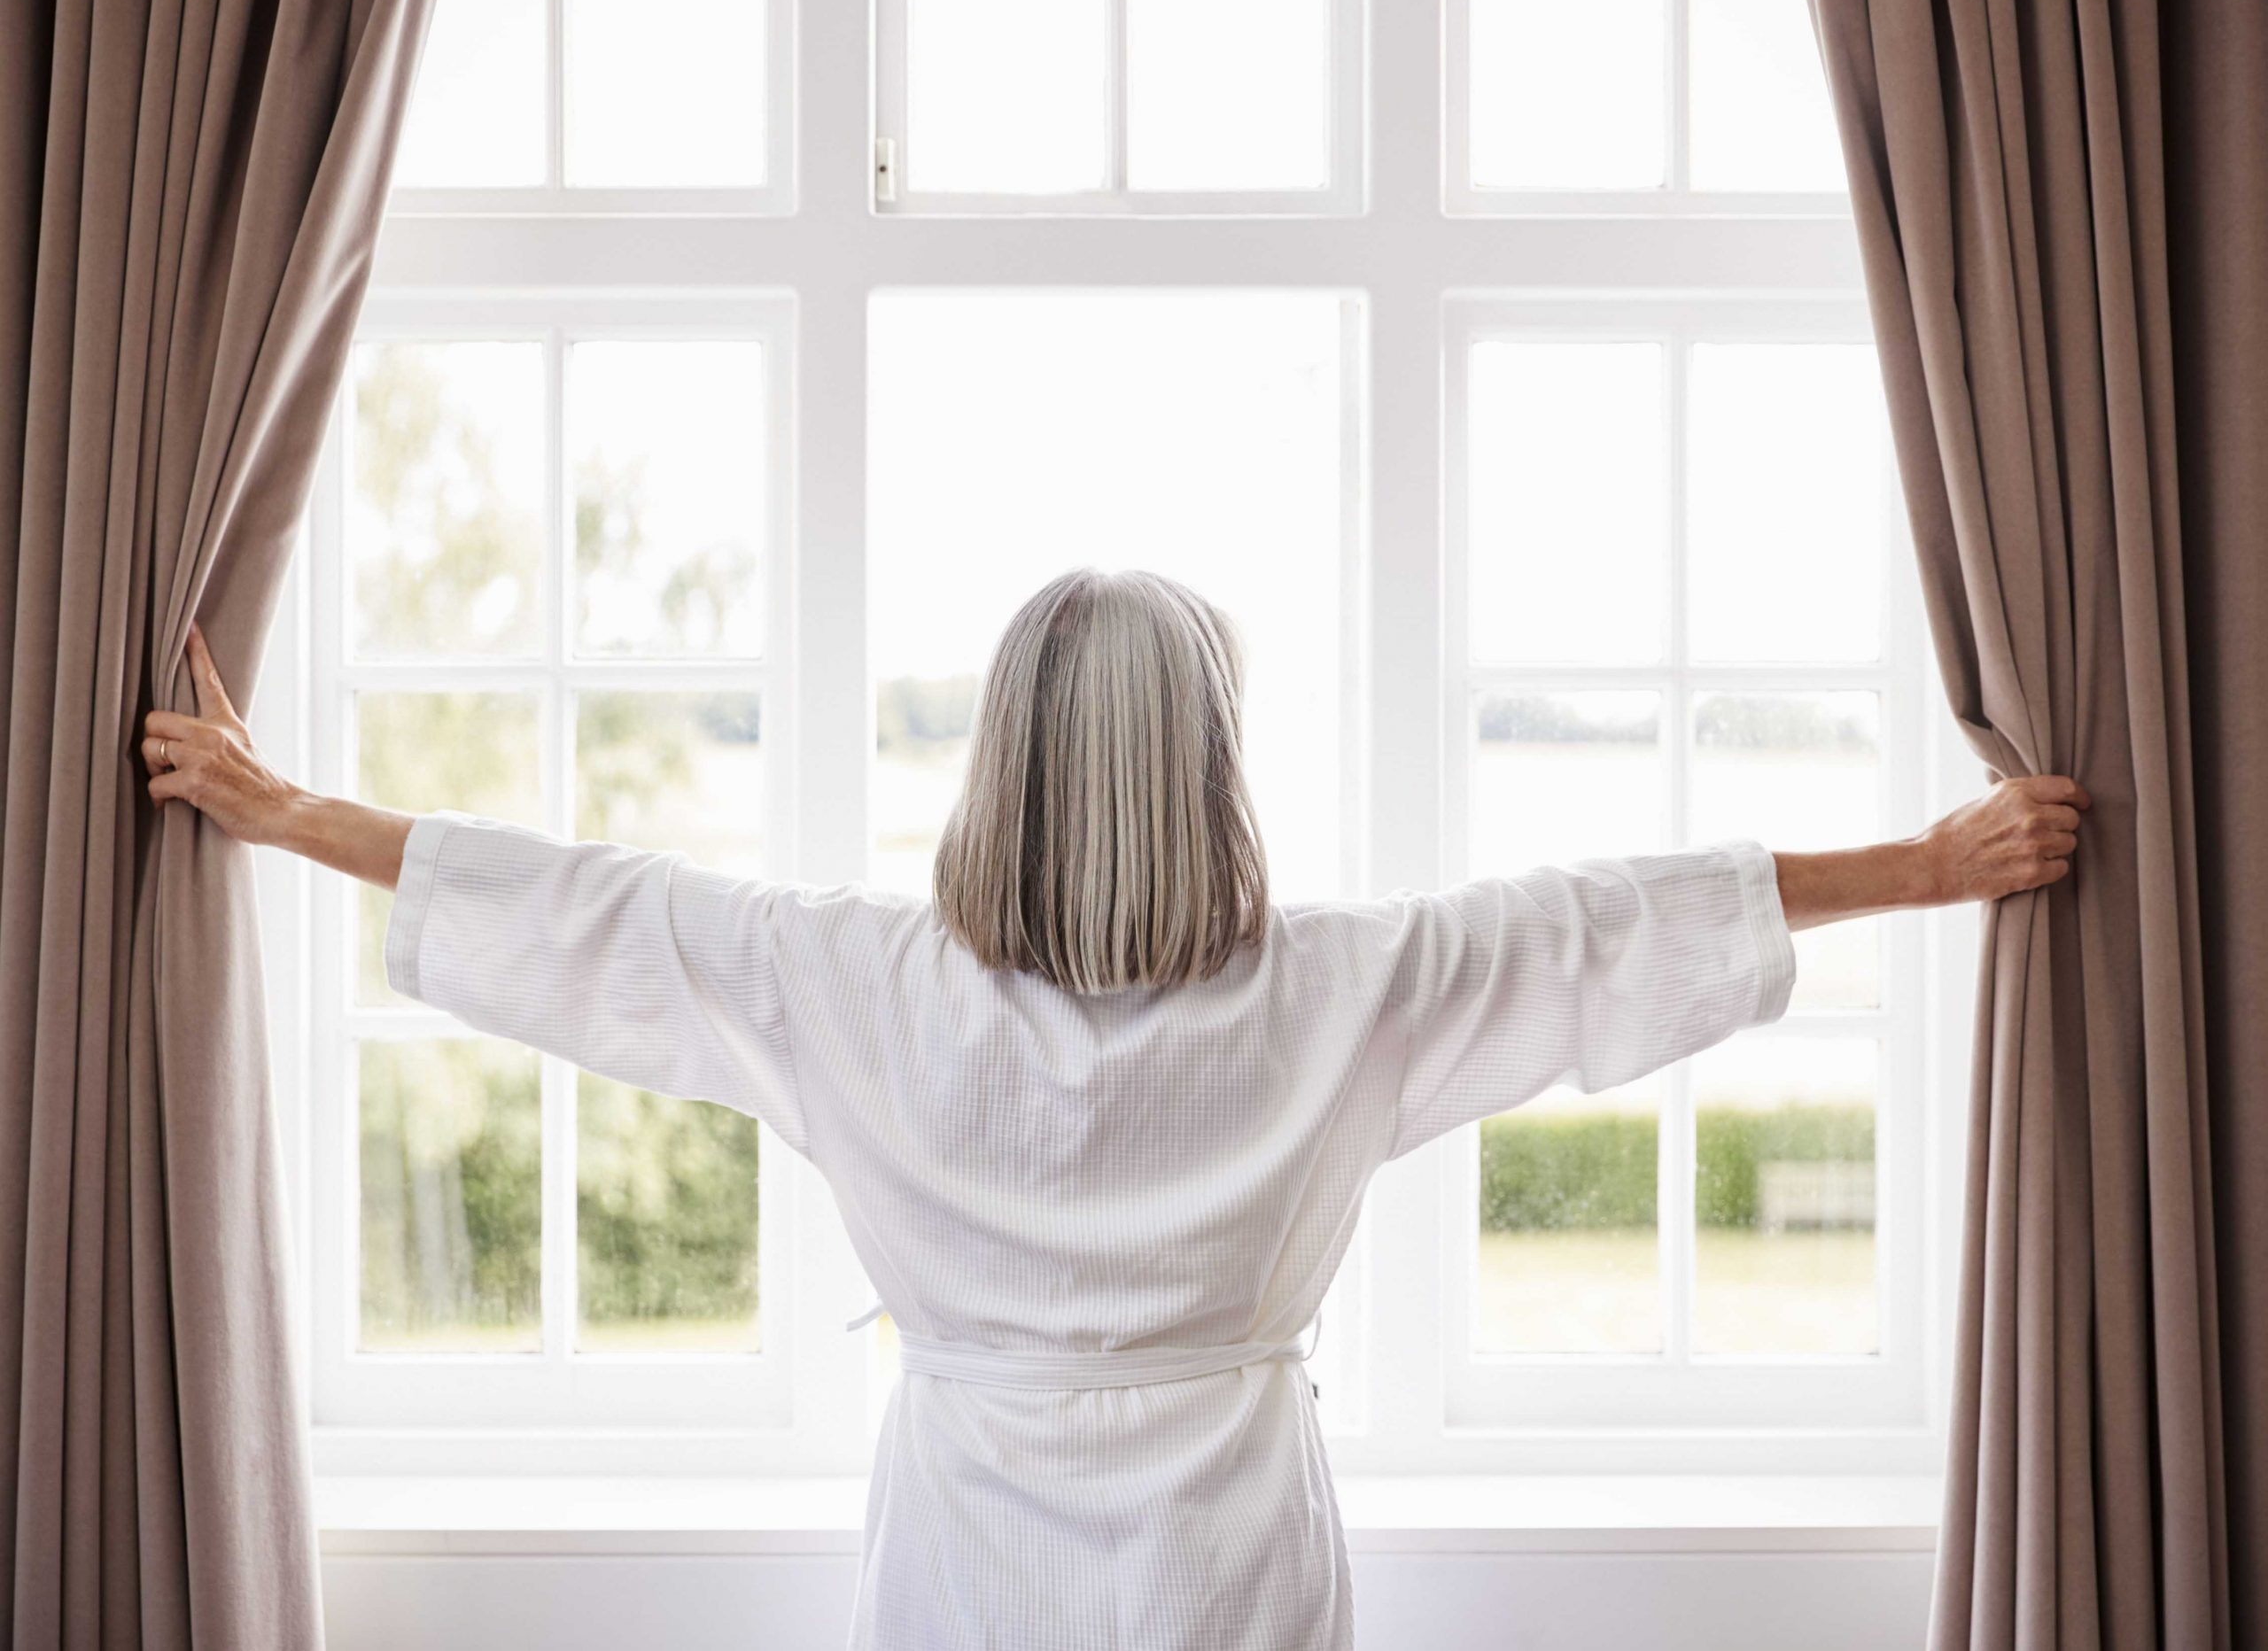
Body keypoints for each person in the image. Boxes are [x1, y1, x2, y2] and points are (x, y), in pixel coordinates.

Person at [143, 570, 2087, 1651]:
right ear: (1210, 772)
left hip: (965, 1552)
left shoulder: (856, 984)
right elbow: (1600, 932)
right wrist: (1924, 865)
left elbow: (575, 907)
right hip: (1224, 1552)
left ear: (1002, 767)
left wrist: (276, 802)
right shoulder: (1339, 989)